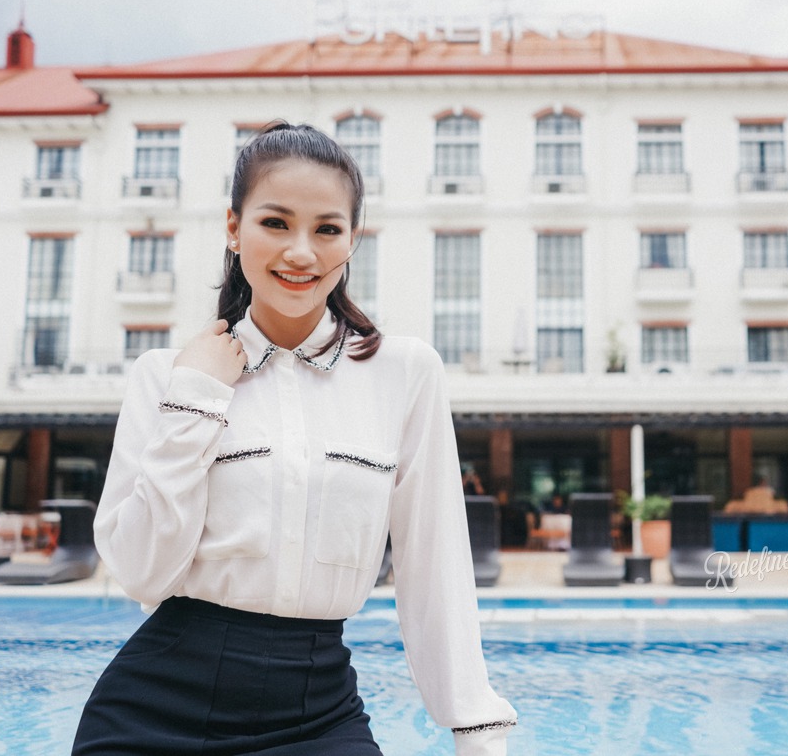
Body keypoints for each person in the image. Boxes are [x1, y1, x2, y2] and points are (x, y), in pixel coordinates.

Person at [74, 122, 516, 755]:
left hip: (317, 710)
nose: (301, 252)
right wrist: (197, 400)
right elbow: (143, 573)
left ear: (353, 239)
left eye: (327, 229)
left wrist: (476, 730)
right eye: (275, 223)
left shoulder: (406, 373)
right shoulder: (164, 379)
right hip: (155, 710)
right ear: (234, 227)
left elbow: (435, 560)